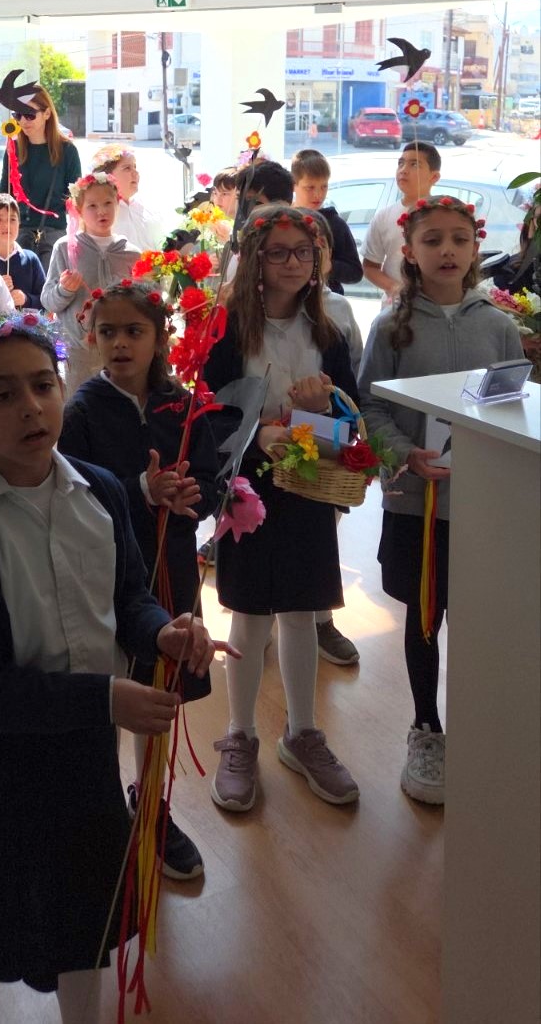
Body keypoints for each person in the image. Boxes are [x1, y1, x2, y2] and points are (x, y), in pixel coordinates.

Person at [0, 309, 230, 1022]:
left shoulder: (102, 491)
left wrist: (162, 632)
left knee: (83, 932)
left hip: (87, 759)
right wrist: (108, 698)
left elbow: (127, 597)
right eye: (3, 394)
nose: (30, 407)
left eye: (42, 385)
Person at [358, 195, 522, 805]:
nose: (447, 250)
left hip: (483, 506)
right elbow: (369, 405)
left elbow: (513, 404)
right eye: (433, 240)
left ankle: (480, 728)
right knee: (425, 617)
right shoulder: (390, 327)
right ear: (409, 251)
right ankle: (427, 729)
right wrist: (404, 453)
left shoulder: (498, 325)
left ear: (476, 246)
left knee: (480, 620)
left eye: (459, 238)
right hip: (417, 504)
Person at [58, 279, 220, 881]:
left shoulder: (185, 406)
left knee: (159, 691)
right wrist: (140, 491)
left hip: (171, 569)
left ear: (160, 337)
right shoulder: (81, 412)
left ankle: (150, 801)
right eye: (108, 332)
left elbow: (213, 481)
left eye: (134, 331)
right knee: (108, 687)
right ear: (91, 337)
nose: (120, 343)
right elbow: (73, 498)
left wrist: (191, 496)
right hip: (104, 576)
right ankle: (99, 802)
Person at [203, 204, 361, 811]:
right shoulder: (227, 332)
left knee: (300, 612)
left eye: (303, 252)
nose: (292, 263)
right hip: (249, 490)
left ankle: (302, 732)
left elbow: (347, 425)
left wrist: (313, 416)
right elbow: (210, 415)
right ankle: (240, 734)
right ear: (255, 261)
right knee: (248, 615)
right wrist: (260, 435)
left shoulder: (329, 333)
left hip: (308, 488)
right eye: (278, 252)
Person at [307, 209, 364, 666]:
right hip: (272, 436)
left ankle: (320, 617)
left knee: (324, 526)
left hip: (328, 430)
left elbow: (354, 374)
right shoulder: (252, 311)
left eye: (316, 247)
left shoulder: (339, 308)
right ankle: (262, 613)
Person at [41, 172, 141, 396]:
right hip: (78, 354)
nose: (101, 211)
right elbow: (48, 301)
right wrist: (64, 290)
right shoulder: (65, 247)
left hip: (121, 351)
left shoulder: (132, 254)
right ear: (79, 210)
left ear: (117, 203)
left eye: (107, 203)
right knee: (79, 406)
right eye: (92, 206)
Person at [0, 84, 82, 270]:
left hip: (53, 234)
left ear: (47, 113)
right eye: (18, 115)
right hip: (18, 234)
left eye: (30, 114)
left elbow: (76, 197)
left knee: (48, 284)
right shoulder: (13, 149)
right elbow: (4, 194)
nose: (23, 121)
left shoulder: (67, 151)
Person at [361, 143, 441, 306]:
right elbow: (370, 267)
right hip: (396, 308)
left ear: (434, 177)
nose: (403, 170)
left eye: (414, 164)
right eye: (401, 163)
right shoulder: (384, 216)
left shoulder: (443, 215)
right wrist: (396, 288)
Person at [290, 148, 363, 294]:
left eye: (324, 186)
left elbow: (355, 272)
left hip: (327, 300)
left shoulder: (335, 224)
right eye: (310, 187)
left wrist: (328, 266)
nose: (318, 194)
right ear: (293, 185)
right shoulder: (283, 219)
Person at [0, 192, 47, 309]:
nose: (7, 225)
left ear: (19, 223)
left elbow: (46, 301)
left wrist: (26, 299)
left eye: (12, 219)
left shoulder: (30, 259)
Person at [90, 143, 164, 252]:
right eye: (127, 168)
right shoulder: (99, 215)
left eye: (135, 167)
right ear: (108, 176)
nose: (136, 173)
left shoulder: (147, 208)